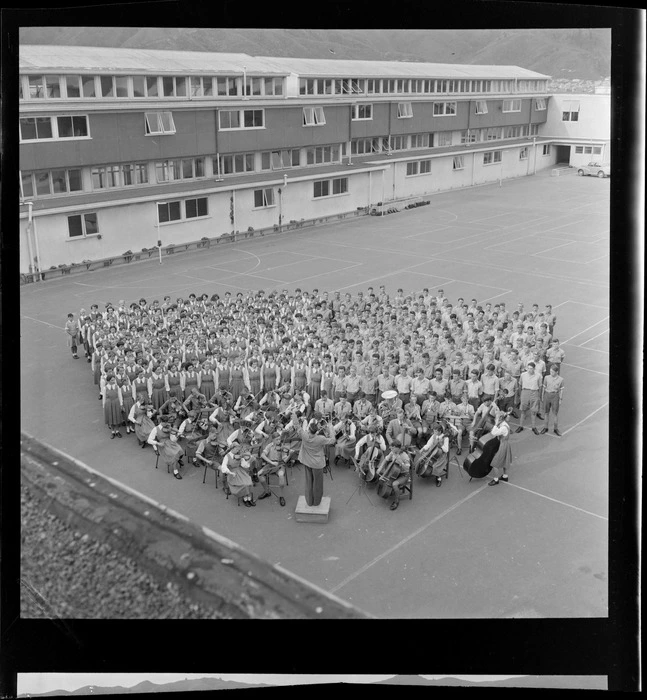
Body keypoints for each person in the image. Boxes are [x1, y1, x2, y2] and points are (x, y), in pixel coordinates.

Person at [294, 413, 337, 507]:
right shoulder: (320, 439)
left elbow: (297, 426)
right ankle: (317, 502)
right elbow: (333, 440)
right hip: (317, 464)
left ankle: (309, 502)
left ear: (309, 430)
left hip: (307, 462)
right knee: (317, 483)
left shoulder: (304, 435)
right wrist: (331, 428)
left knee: (309, 482)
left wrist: (294, 414)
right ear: (316, 431)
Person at [377, 440, 411, 511]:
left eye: (392, 448)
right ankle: (392, 491)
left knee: (394, 484)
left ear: (397, 448)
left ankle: (396, 501)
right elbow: (386, 459)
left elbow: (407, 468)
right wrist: (380, 468)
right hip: (395, 473)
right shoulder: (393, 452)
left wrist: (401, 462)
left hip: (404, 475)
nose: (391, 449)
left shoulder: (405, 456)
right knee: (383, 477)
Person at [257, 432, 287, 506]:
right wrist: (271, 462)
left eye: (279, 439)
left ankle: (281, 496)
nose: (279, 441)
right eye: (277, 439)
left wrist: (289, 455)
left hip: (280, 465)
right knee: (259, 474)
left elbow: (285, 459)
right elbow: (262, 455)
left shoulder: (282, 447)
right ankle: (267, 491)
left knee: (281, 476)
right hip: (270, 465)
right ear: (273, 440)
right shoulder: (269, 446)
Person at [487, 408, 514, 485]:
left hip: (503, 445)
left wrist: (495, 424)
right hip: (506, 444)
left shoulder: (503, 427)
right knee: (505, 461)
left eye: (497, 418)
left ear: (500, 419)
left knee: (495, 463)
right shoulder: (504, 424)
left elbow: (493, 433)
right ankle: (505, 476)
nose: (496, 418)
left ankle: (496, 480)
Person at [516, 361, 542, 434]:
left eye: (531, 368)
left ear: (534, 369)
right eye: (528, 368)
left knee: (533, 411)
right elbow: (520, 385)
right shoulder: (523, 375)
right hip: (525, 392)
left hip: (534, 393)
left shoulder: (539, 376)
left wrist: (539, 396)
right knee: (523, 410)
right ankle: (520, 426)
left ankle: (534, 427)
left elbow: (540, 386)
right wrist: (521, 395)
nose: (529, 370)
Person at [540, 364, 565, 436]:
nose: (551, 373)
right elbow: (544, 388)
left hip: (555, 396)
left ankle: (555, 428)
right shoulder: (546, 378)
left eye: (552, 372)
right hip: (547, 395)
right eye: (550, 371)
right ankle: (545, 427)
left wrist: (560, 399)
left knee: (555, 414)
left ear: (557, 372)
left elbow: (561, 390)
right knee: (546, 413)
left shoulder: (561, 380)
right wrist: (542, 396)